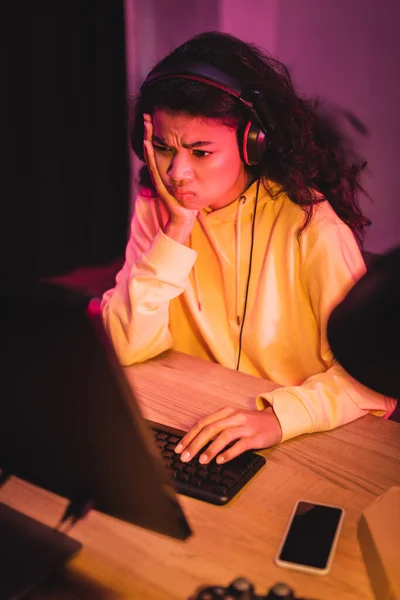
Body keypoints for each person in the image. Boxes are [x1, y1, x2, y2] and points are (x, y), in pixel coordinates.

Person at [101, 31, 396, 465]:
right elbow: (124, 345)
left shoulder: (311, 227)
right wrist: (175, 233)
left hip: (295, 444)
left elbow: (375, 381)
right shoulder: (158, 208)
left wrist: (279, 418)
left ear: (251, 145)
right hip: (186, 420)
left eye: (201, 152)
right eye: (163, 148)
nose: (176, 172)